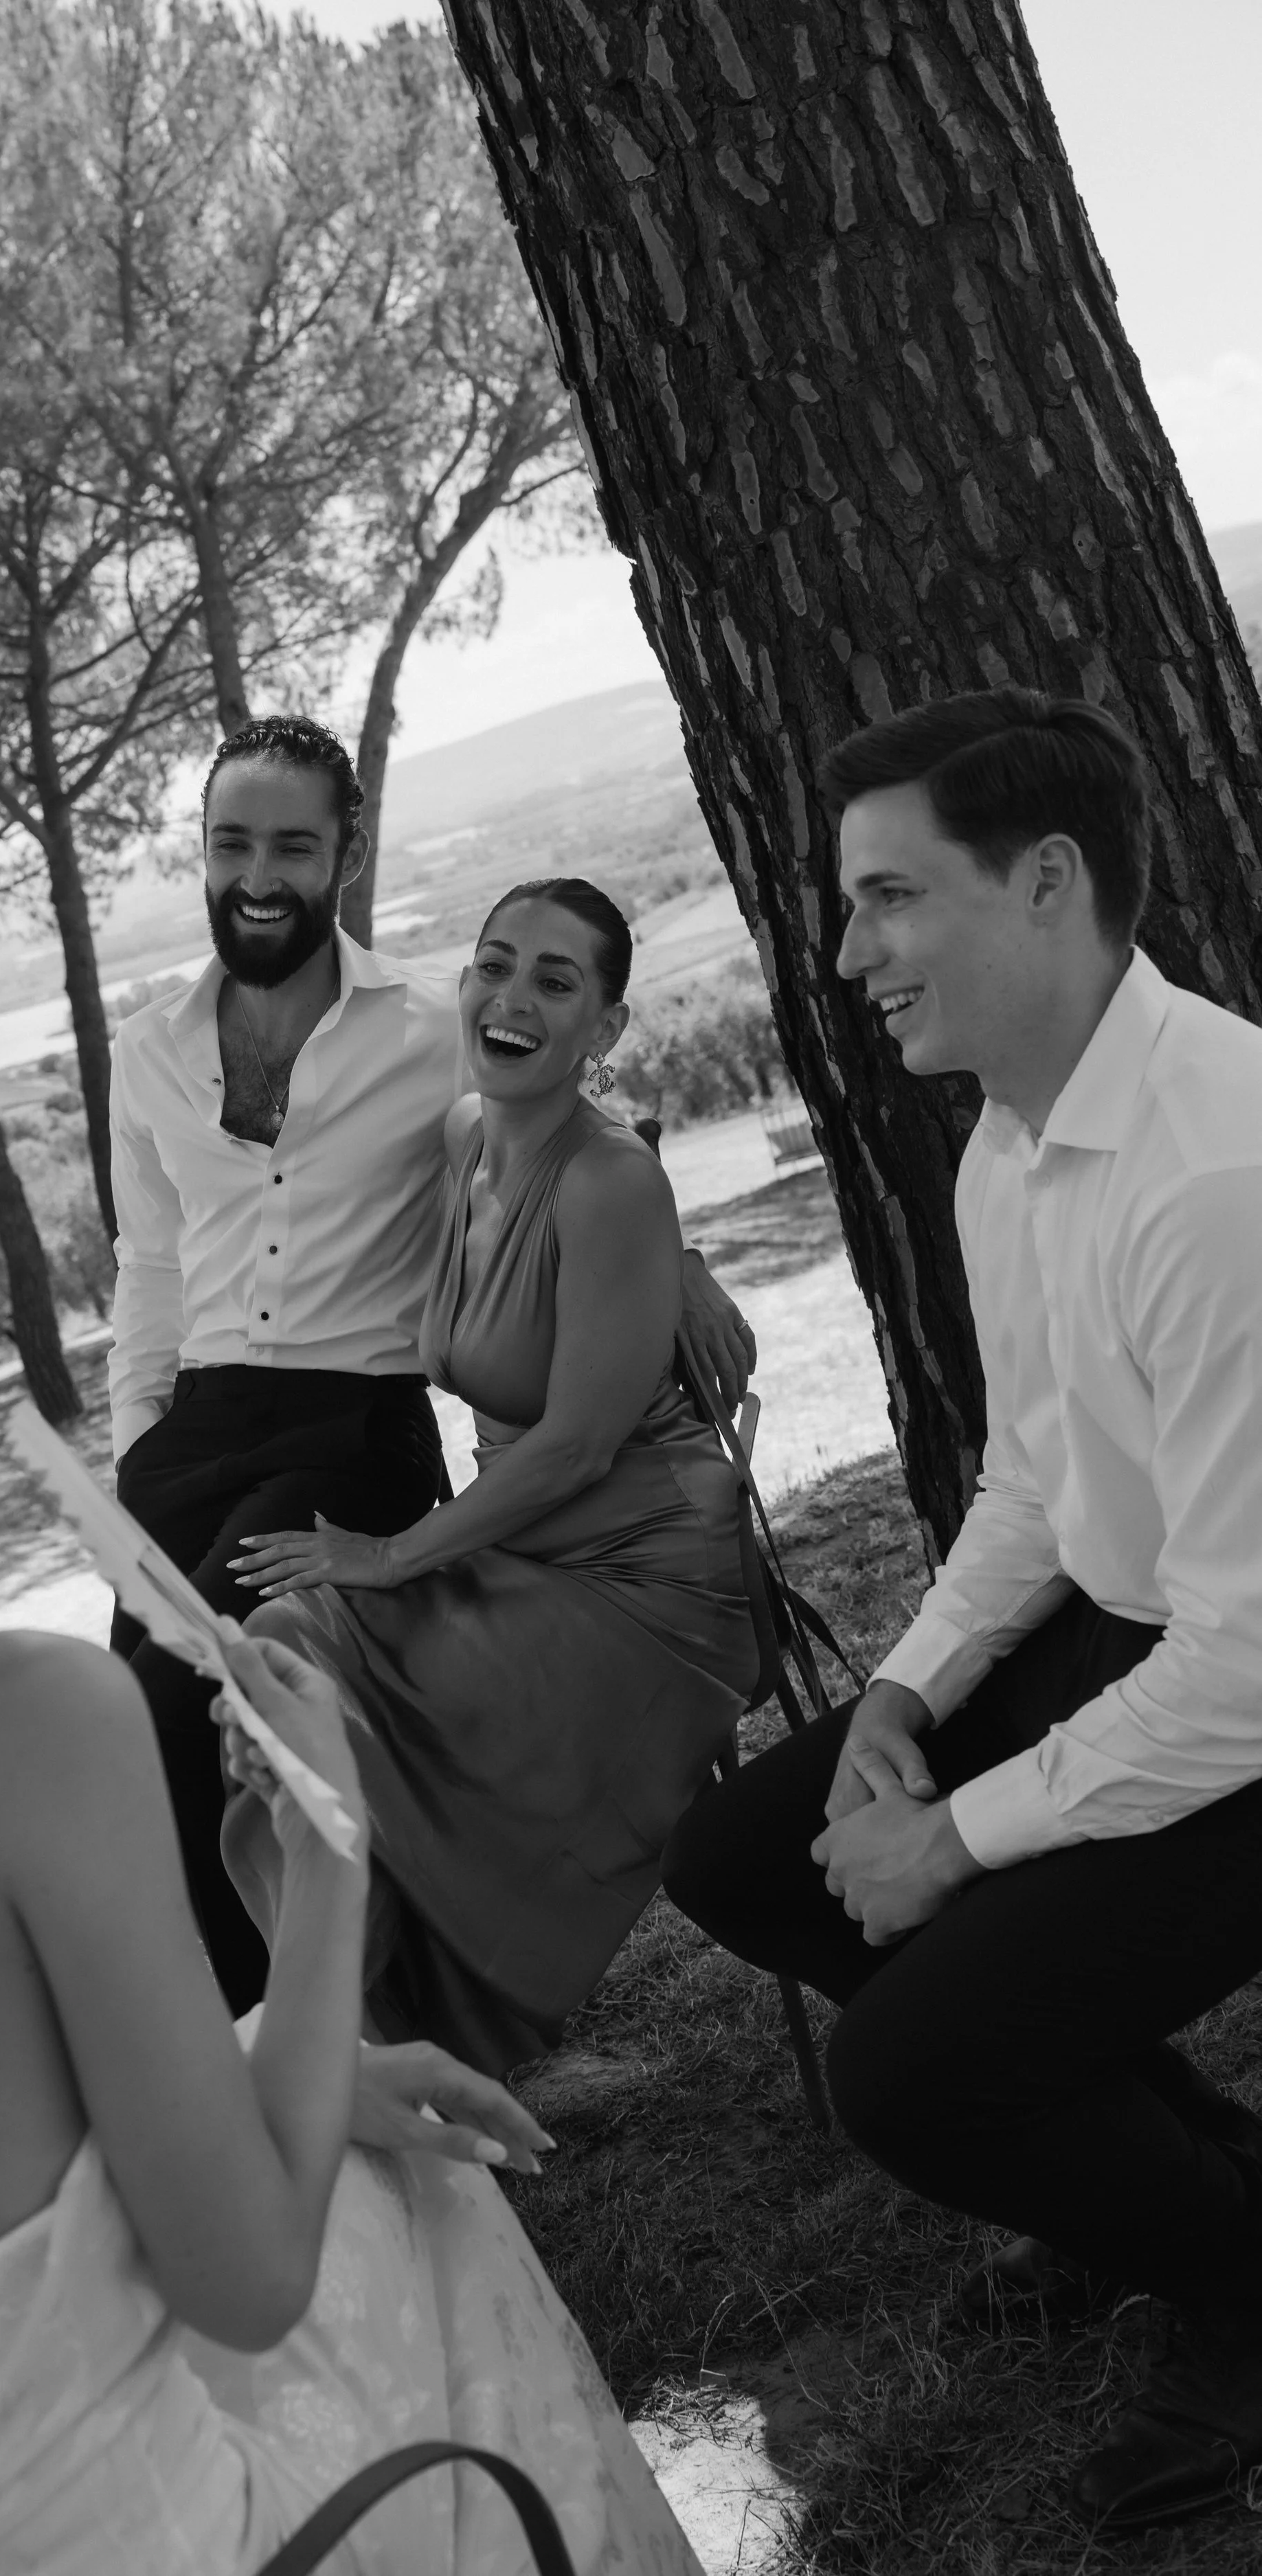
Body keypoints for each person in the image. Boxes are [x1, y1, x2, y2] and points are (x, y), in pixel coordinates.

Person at [0, 1107, 701, 2576]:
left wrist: (271, 2066)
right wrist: (329, 1859)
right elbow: (248, 2282)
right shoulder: (24, 1714)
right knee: (431, 2207)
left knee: (365, 2138)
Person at [662, 689, 1262, 2533]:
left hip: (1244, 1693)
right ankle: (1168, 2180)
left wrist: (957, 1840)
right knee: (748, 1854)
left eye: (886, 897)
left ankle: (1242, 2282)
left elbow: (1247, 1672)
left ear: (1046, 881)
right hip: (1158, 1634)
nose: (847, 955)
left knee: (904, 2074)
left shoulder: (1218, 1166)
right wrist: (903, 1710)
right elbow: (1026, 1477)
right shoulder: (1008, 1135)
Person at [109, 716, 751, 2013]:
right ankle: (214, 2047)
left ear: (344, 859)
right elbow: (154, 1273)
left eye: (294, 844)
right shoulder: (148, 1050)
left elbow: (551, 1136)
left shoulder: (425, 1036)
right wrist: (134, 1457)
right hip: (191, 1428)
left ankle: (296, 2055)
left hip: (352, 1432)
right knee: (130, 1733)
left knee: (222, 1702)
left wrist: (633, 1171)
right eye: (234, 841)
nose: (260, 872)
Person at [227, 879, 760, 2076]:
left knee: (328, 1673)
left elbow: (574, 1444)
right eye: (493, 964)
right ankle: (367, 2038)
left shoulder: (608, 1179)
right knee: (280, 1656)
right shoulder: (466, 1135)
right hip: (527, 1548)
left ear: (605, 1029)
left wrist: (386, 1555)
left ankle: (387, 2046)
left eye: (555, 981)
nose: (512, 998)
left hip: (645, 1579)